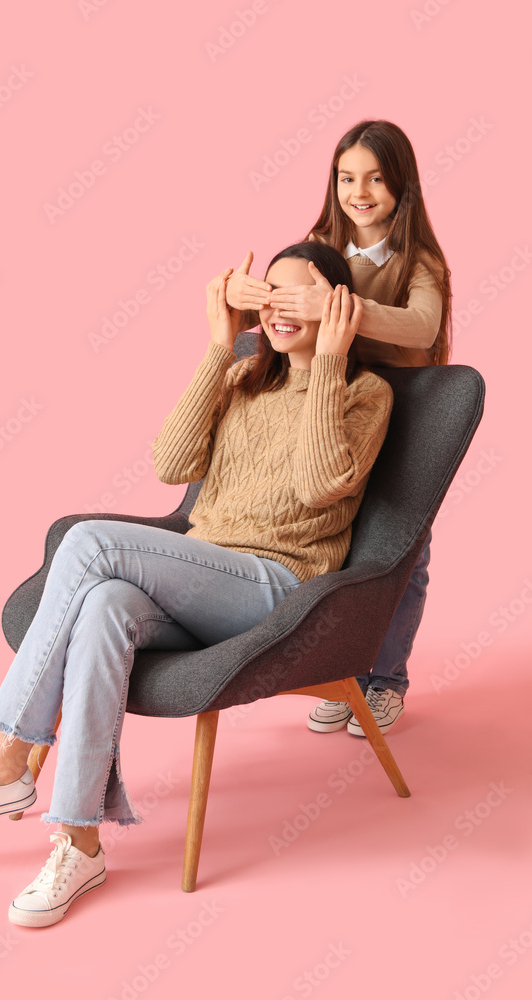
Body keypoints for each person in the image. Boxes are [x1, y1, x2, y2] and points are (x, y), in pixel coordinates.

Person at [0, 241, 392, 928]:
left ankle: (4, 759)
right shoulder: (244, 376)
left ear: (336, 306)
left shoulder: (365, 392)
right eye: (269, 291)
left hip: (280, 588)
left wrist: (330, 361)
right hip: (199, 576)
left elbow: (316, 488)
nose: (280, 305)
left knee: (90, 541)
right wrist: (219, 347)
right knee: (103, 603)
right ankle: (79, 841)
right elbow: (172, 461)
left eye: (302, 293)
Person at [225, 119, 452, 737]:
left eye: (377, 178)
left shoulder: (418, 259)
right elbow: (281, 306)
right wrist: (243, 295)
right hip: (336, 400)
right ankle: (347, 675)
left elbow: (422, 329)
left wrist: (343, 311)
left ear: (401, 186)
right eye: (348, 177)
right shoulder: (321, 242)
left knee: (403, 551)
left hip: (403, 411)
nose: (361, 191)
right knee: (343, 540)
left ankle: (387, 682)